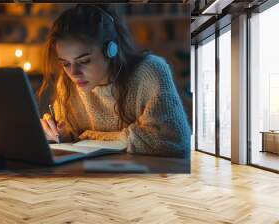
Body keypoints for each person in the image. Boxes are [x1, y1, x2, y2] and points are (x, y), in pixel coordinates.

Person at [38, 4, 190, 158]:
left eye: (84, 61)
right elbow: (72, 138)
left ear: (111, 50)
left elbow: (175, 142)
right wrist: (61, 135)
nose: (73, 73)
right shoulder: (67, 85)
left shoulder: (150, 72)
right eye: (65, 64)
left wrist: (89, 136)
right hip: (91, 175)